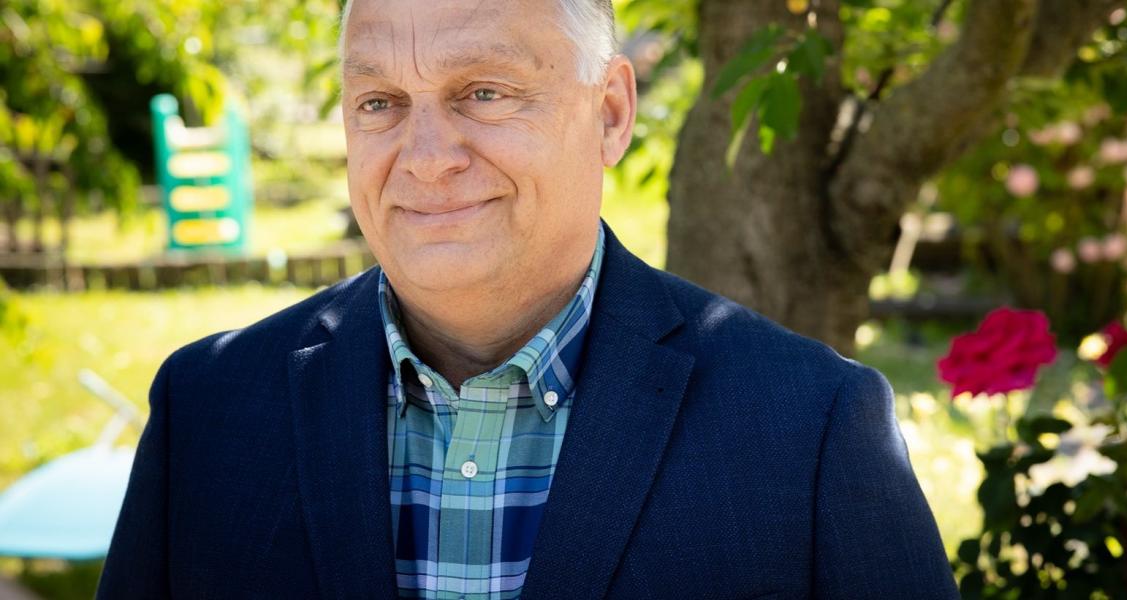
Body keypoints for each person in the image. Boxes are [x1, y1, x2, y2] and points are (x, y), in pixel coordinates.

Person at [97, 0, 960, 598]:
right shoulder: (206, 412)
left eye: (484, 92)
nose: (427, 156)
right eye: (380, 102)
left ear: (610, 113)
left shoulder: (812, 426)